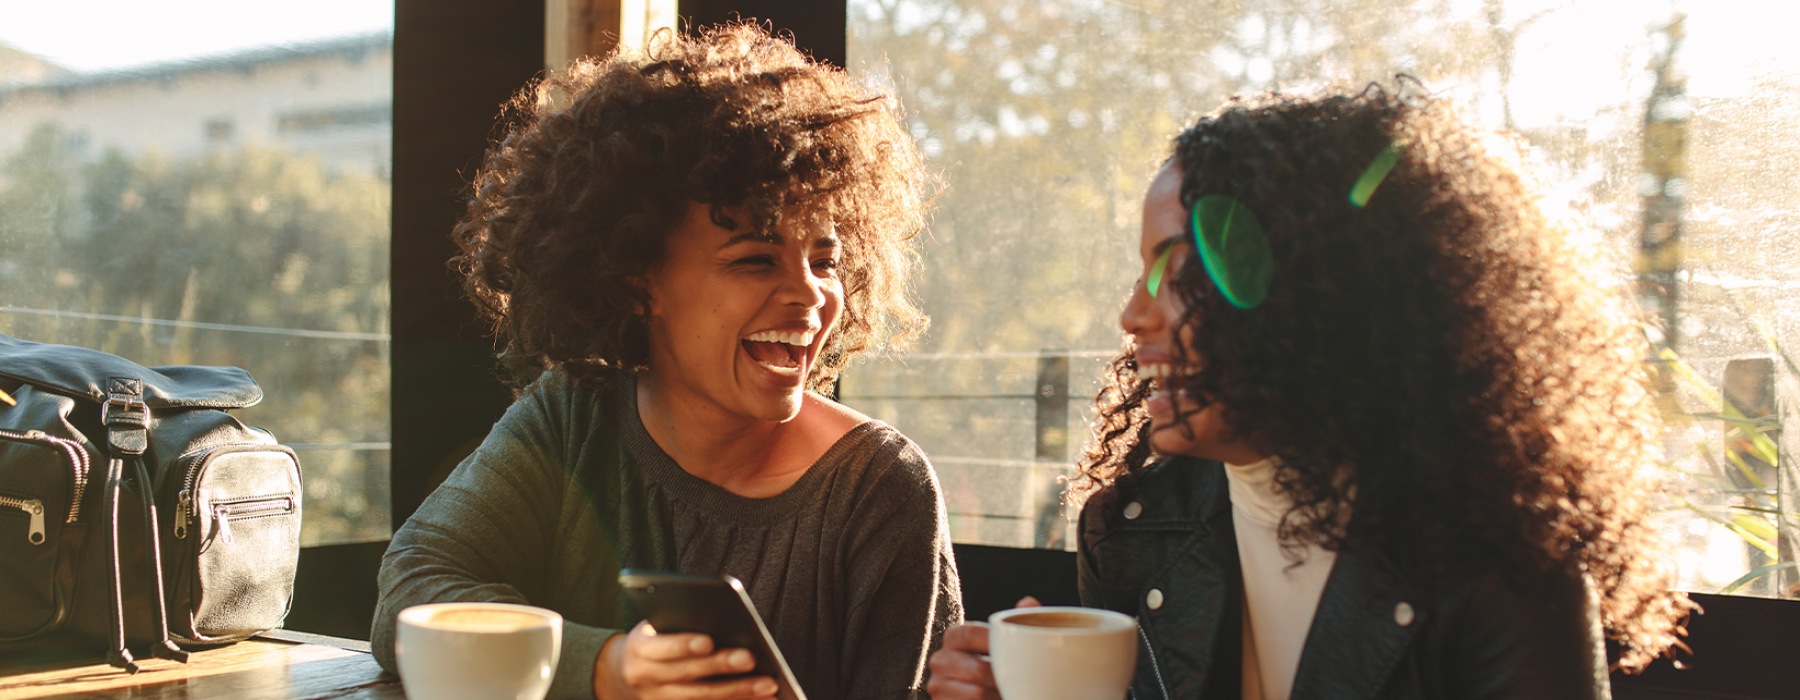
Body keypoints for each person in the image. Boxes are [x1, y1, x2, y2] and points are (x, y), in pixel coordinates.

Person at [927, 84, 1694, 699]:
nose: (1133, 316)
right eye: (1140, 271)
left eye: (1180, 271)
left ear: (1320, 300)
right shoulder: (1133, 530)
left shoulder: (1500, 568)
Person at [371, 23, 963, 700]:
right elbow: (414, 597)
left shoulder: (881, 488)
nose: (811, 295)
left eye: (825, 259)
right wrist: (605, 668)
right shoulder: (571, 419)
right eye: (755, 259)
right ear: (635, 278)